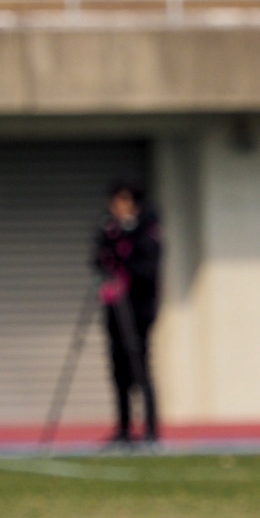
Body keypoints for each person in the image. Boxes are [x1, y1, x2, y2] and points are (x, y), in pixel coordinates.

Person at [93, 179, 161, 445]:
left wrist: (125, 266)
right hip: (114, 309)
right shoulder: (109, 230)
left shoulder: (147, 231)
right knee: (118, 369)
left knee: (140, 366)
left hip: (138, 310)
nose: (117, 207)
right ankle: (123, 429)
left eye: (122, 201)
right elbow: (97, 260)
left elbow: (148, 269)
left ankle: (151, 429)